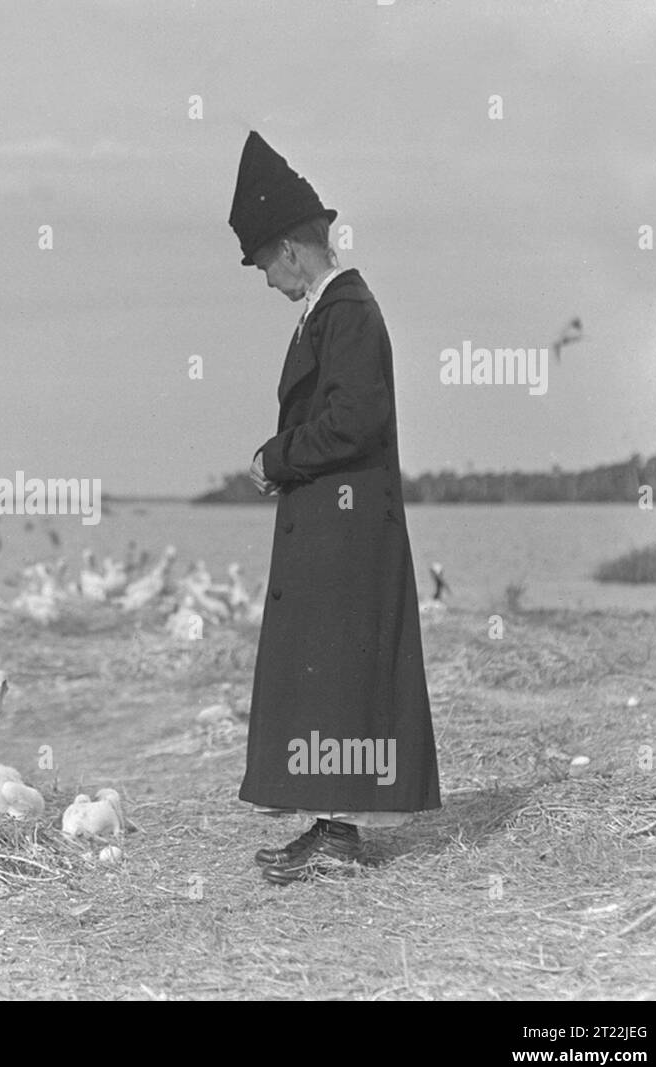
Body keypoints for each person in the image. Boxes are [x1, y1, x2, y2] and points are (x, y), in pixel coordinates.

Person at [228, 132, 440, 885]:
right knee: (328, 679)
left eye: (261, 265)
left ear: (290, 250)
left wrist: (273, 458)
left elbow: (357, 421)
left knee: (340, 676)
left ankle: (340, 835)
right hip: (336, 526)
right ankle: (330, 825)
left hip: (348, 532)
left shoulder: (346, 311)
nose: (264, 282)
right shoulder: (332, 310)